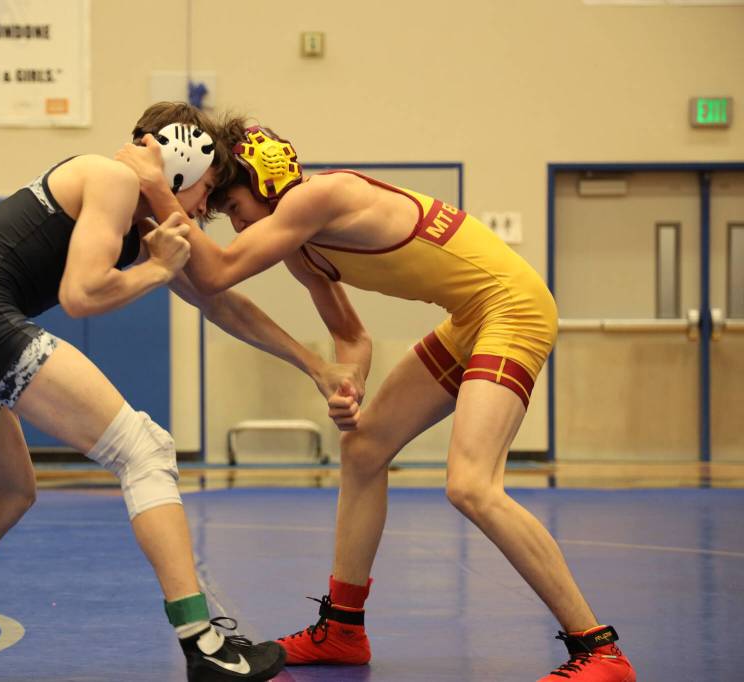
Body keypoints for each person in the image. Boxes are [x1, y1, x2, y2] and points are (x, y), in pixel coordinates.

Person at [0, 103, 360, 682]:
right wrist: (158, 270)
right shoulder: (111, 178)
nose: (201, 210)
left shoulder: (139, 223)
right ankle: (204, 644)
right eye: (207, 190)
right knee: (146, 451)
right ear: (179, 158)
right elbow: (82, 294)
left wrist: (314, 364)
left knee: (9, 493)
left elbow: (219, 302)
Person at [117, 119, 637, 682]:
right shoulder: (304, 248)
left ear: (264, 184)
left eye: (236, 206)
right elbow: (352, 336)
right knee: (363, 449)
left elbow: (215, 273)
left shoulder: (318, 197)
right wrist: (350, 384)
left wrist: (156, 189)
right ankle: (342, 628)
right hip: (472, 321)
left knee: (471, 484)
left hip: (514, 310)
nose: (236, 223)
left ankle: (599, 650)